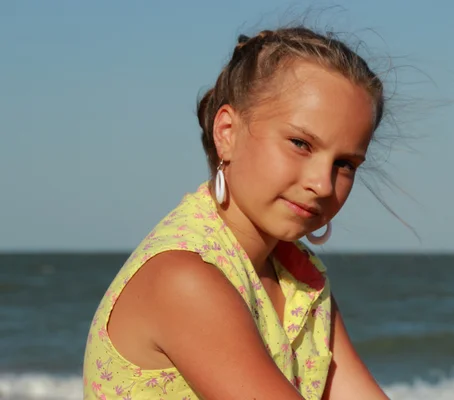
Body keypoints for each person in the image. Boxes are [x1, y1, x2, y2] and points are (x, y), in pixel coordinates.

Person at [83, 26, 392, 400]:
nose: (323, 184)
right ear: (227, 132)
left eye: (344, 164)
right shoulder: (186, 279)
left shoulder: (302, 282)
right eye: (300, 143)